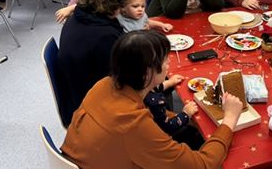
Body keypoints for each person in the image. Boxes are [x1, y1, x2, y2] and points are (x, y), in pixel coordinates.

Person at [61, 30, 244, 169]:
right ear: (147, 72)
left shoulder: (105, 84)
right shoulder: (133, 124)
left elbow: (148, 117)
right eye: (165, 60)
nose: (168, 64)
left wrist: (188, 120)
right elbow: (202, 164)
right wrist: (229, 120)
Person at [55, 0, 132, 126]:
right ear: (112, 7)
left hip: (76, 93)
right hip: (91, 109)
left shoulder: (77, 17)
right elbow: (122, 79)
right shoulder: (104, 36)